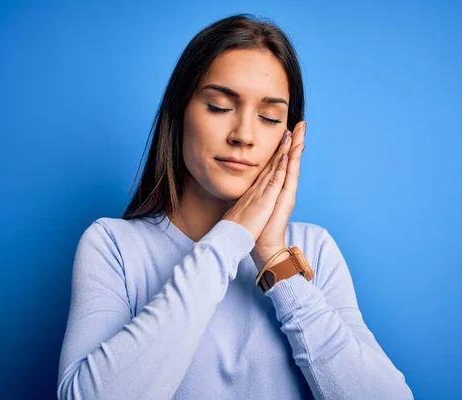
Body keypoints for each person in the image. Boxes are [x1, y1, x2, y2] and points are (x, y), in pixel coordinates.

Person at [57, 14, 413, 400]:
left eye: (269, 117)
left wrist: (275, 259)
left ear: (287, 137)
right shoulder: (112, 246)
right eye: (219, 107)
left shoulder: (314, 250)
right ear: (178, 114)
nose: (243, 135)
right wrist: (229, 241)